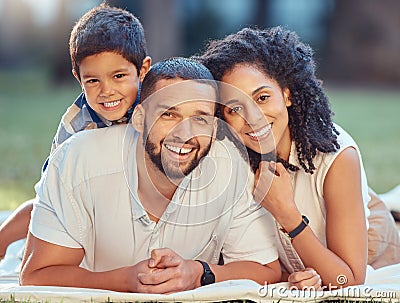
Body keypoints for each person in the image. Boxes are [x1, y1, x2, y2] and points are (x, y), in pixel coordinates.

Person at [20, 57, 281, 293]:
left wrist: (199, 273)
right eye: (169, 114)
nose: (185, 133)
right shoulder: (79, 158)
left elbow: (265, 270)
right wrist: (128, 280)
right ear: (140, 118)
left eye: (200, 119)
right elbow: (36, 275)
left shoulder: (230, 166)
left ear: (214, 128)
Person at [197, 26, 400, 289]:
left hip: (374, 244)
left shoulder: (337, 155)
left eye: (262, 98)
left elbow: (347, 279)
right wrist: (290, 277)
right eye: (235, 108)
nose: (253, 117)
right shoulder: (228, 158)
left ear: (287, 95)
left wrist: (286, 213)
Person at [0, 3, 151, 259]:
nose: (107, 91)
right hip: (88, 189)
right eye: (93, 80)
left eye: (118, 76)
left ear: (143, 70)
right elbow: (52, 191)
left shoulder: (157, 102)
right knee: (45, 205)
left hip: (133, 188)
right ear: (78, 78)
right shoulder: (76, 124)